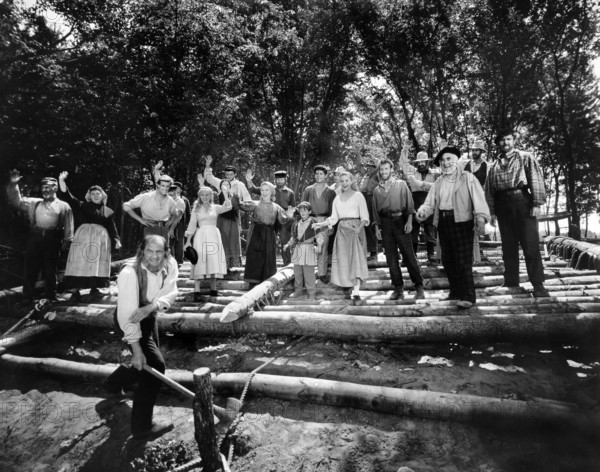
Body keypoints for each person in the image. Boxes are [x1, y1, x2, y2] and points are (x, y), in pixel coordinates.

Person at [104, 235, 178, 440]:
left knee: (145, 363)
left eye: (159, 252)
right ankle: (142, 427)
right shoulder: (129, 273)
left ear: (166, 252)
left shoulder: (170, 264)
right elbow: (127, 314)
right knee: (154, 366)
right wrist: (136, 349)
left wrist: (151, 307)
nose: (154, 257)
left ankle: (112, 383)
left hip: (148, 315)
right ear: (141, 251)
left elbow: (170, 292)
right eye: (149, 252)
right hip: (128, 320)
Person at [416, 146, 490, 308]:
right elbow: (430, 203)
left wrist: (481, 219)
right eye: (442, 160)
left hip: (463, 223)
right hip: (443, 223)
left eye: (449, 159)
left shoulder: (468, 178)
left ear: (457, 160)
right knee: (448, 261)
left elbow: (479, 200)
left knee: (463, 261)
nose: (445, 163)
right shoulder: (438, 182)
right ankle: (455, 292)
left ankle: (469, 296)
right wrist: (422, 212)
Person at [485, 128, 550, 297]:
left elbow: (535, 179)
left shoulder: (525, 157)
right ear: (498, 144)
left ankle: (538, 284)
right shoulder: (493, 166)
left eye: (508, 139)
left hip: (522, 201)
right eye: (501, 140)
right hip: (502, 205)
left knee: (530, 244)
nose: (505, 143)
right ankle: (511, 281)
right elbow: (489, 191)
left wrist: (536, 203)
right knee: (508, 246)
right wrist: (492, 212)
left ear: (513, 140)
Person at [7, 171, 74, 303]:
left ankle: (51, 296)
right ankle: (27, 297)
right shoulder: (34, 202)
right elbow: (17, 201)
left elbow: (69, 225)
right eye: (43, 187)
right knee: (30, 268)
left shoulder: (64, 206)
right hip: (35, 239)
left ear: (55, 188)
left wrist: (67, 242)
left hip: (53, 239)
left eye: (48, 187)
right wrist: (14, 184)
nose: (45, 190)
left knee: (50, 270)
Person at [57, 171, 121, 301]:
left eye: (98, 194)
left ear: (102, 196)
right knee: (80, 261)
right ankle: (75, 291)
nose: (96, 196)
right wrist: (62, 181)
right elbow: (68, 196)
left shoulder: (108, 211)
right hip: (83, 237)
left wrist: (116, 239)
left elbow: (112, 227)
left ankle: (94, 289)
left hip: (101, 239)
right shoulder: (82, 206)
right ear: (89, 196)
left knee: (97, 263)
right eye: (93, 194)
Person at [372, 159, 425, 300]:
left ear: (391, 169)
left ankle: (419, 286)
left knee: (408, 255)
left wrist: (409, 221)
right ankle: (398, 288)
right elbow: (375, 212)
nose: (384, 172)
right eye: (381, 169)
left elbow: (409, 205)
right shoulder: (377, 190)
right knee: (391, 258)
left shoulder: (401, 184)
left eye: (386, 169)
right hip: (385, 223)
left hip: (400, 221)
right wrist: (377, 227)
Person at [313, 171, 369, 302]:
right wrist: (320, 224)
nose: (344, 183)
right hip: (342, 231)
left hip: (355, 229)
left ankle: (356, 291)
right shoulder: (337, 199)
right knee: (344, 261)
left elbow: (365, 217)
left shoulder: (358, 196)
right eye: (342, 181)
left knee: (355, 260)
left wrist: (358, 229)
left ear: (351, 181)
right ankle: (347, 289)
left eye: (347, 181)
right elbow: (333, 218)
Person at [184, 177, 232, 301]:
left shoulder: (215, 207)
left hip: (213, 235)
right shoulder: (196, 208)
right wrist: (188, 240)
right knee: (199, 260)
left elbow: (228, 206)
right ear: (200, 196)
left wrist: (226, 193)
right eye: (203, 195)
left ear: (211, 196)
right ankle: (197, 291)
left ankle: (213, 289)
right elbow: (192, 224)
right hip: (200, 235)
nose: (205, 197)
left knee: (213, 260)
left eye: (207, 195)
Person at [204, 156, 252, 268]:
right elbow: (209, 178)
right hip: (222, 214)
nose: (229, 176)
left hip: (234, 215)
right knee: (222, 237)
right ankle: (222, 263)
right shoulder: (221, 183)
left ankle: (234, 264)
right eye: (227, 174)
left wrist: (243, 211)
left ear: (235, 174)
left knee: (234, 238)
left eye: (231, 174)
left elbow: (247, 199)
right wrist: (208, 165)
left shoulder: (239, 185)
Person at [240, 182, 290, 286]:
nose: (264, 192)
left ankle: (267, 286)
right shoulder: (255, 204)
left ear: (271, 192)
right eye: (262, 190)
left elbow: (285, 220)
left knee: (269, 258)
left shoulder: (276, 207)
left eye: (267, 190)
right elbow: (240, 206)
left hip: (270, 235)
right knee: (255, 257)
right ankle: (252, 285)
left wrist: (291, 214)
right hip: (256, 234)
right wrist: (233, 195)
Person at [246, 169, 296, 265]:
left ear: (285, 179)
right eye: (277, 179)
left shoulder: (290, 192)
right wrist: (249, 180)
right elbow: (254, 189)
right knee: (269, 239)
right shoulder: (269, 189)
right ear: (275, 180)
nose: (279, 181)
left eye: (282, 179)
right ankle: (267, 263)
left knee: (285, 240)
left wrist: (292, 221)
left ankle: (287, 263)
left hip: (284, 218)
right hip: (270, 216)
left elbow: (292, 208)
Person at [399, 148, 440, 265]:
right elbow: (403, 164)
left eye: (424, 162)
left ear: (427, 162)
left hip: (430, 202)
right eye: (419, 162)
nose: (421, 164)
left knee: (430, 228)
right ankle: (412, 256)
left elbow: (437, 187)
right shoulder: (412, 172)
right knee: (413, 230)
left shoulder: (435, 173)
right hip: (414, 202)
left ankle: (431, 255)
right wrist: (404, 152)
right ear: (417, 163)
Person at [301, 165, 337, 284]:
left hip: (324, 220)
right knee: (308, 247)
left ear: (325, 176)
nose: (319, 176)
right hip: (311, 220)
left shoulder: (331, 191)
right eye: (316, 174)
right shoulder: (308, 190)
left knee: (323, 247)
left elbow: (333, 210)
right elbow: (303, 207)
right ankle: (308, 274)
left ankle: (322, 273)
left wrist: (330, 226)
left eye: (321, 174)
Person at [123, 174, 180, 242]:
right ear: (158, 185)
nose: (165, 188)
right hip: (150, 228)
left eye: (167, 186)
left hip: (164, 230)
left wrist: (171, 220)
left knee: (164, 251)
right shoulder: (146, 197)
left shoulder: (170, 200)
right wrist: (141, 220)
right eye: (163, 185)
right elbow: (126, 206)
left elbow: (175, 212)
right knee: (151, 250)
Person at [284, 201, 318, 300]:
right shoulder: (297, 223)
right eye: (301, 210)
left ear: (310, 211)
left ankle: (311, 293)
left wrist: (319, 244)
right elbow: (294, 237)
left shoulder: (313, 222)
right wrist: (288, 244)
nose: (302, 213)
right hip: (298, 249)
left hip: (308, 248)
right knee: (298, 272)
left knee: (309, 273)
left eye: (305, 210)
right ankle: (298, 291)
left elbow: (320, 234)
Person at [358, 157, 381, 261]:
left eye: (372, 167)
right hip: (363, 199)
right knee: (364, 224)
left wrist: (376, 161)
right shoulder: (365, 175)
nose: (369, 169)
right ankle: (367, 250)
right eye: (368, 167)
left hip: (371, 199)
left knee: (372, 224)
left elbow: (380, 167)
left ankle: (374, 252)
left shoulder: (376, 176)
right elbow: (359, 166)